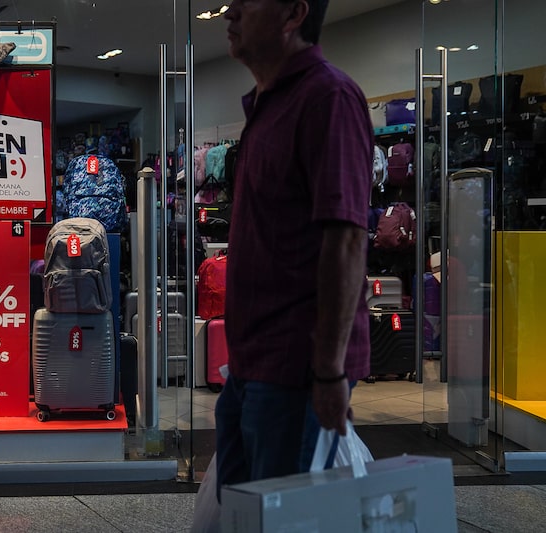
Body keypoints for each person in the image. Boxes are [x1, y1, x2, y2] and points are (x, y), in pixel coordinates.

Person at [214, 0, 373, 496]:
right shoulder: (267, 104)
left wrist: (328, 373)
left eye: (247, 1)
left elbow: (345, 239)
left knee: (286, 516)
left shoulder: (328, 98)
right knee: (243, 517)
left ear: (293, 14)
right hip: (249, 369)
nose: (230, 11)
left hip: (294, 375)